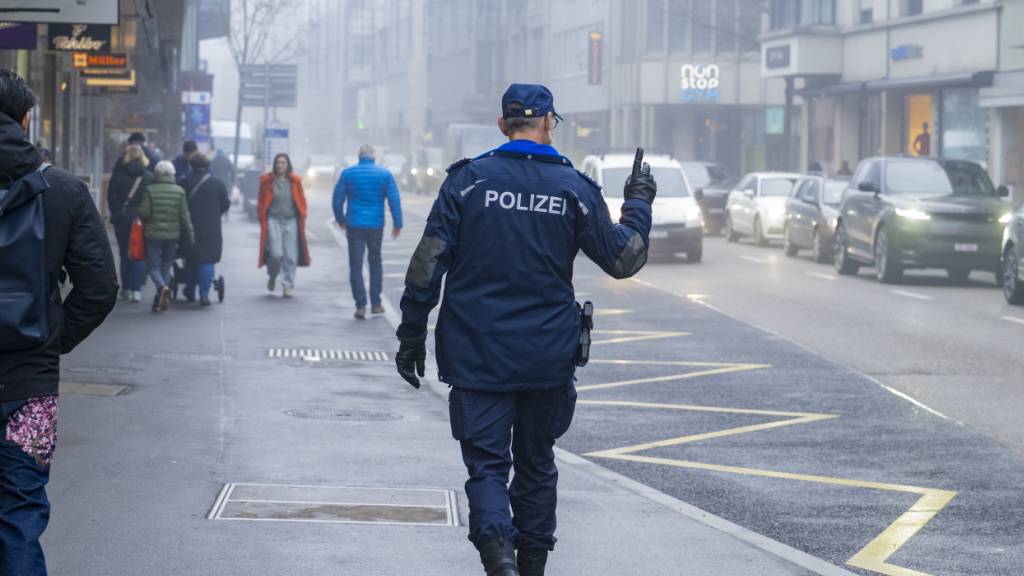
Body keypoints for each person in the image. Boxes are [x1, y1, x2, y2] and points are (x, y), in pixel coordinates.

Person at [394, 84, 655, 576]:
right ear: (549, 124)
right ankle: (530, 564)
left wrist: (411, 334)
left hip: (477, 354)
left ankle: (500, 559)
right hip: (547, 357)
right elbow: (624, 259)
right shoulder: (574, 189)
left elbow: (427, 264)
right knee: (536, 463)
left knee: (488, 466)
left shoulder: (468, 182)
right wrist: (638, 201)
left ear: (502, 125)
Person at [0, 68, 118, 576]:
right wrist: (51, 339)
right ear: (27, 119)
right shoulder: (65, 190)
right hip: (29, 381)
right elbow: (99, 288)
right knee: (20, 512)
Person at [332, 144, 403, 319]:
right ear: (374, 157)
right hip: (375, 224)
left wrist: (341, 220)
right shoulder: (385, 174)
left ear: (359, 156)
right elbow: (394, 199)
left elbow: (337, 199)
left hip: (354, 224)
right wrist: (397, 224)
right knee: (375, 262)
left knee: (355, 265)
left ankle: (360, 305)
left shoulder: (348, 174)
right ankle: (376, 304)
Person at [139, 161, 194, 313]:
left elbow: (144, 213)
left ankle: (162, 288)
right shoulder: (179, 191)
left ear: (157, 174)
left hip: (153, 235)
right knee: (166, 266)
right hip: (173, 236)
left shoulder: (150, 190)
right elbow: (185, 216)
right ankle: (161, 296)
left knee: (153, 266)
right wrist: (190, 236)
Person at [257, 153, 310, 297]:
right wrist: (261, 217)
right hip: (273, 220)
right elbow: (261, 201)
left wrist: (303, 214)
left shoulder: (295, 182)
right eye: (278, 163)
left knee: (291, 256)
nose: (280, 165)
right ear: (275, 165)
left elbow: (302, 201)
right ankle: (273, 275)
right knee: (275, 254)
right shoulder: (267, 182)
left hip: (291, 220)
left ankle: (288, 284)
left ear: (288, 165)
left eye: (283, 163)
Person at [180, 154, 230, 306]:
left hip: (189, 227)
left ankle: (189, 289)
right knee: (207, 260)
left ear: (192, 166)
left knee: (190, 259)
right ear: (208, 167)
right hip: (211, 228)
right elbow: (225, 205)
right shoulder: (218, 184)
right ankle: (204, 294)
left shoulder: (184, 183)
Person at [106, 144, 153, 303]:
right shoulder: (148, 177)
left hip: (122, 218)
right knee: (138, 254)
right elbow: (150, 201)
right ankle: (136, 291)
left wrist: (116, 212)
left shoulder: (118, 175)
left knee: (124, 254)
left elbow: (111, 197)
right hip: (140, 220)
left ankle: (125, 288)